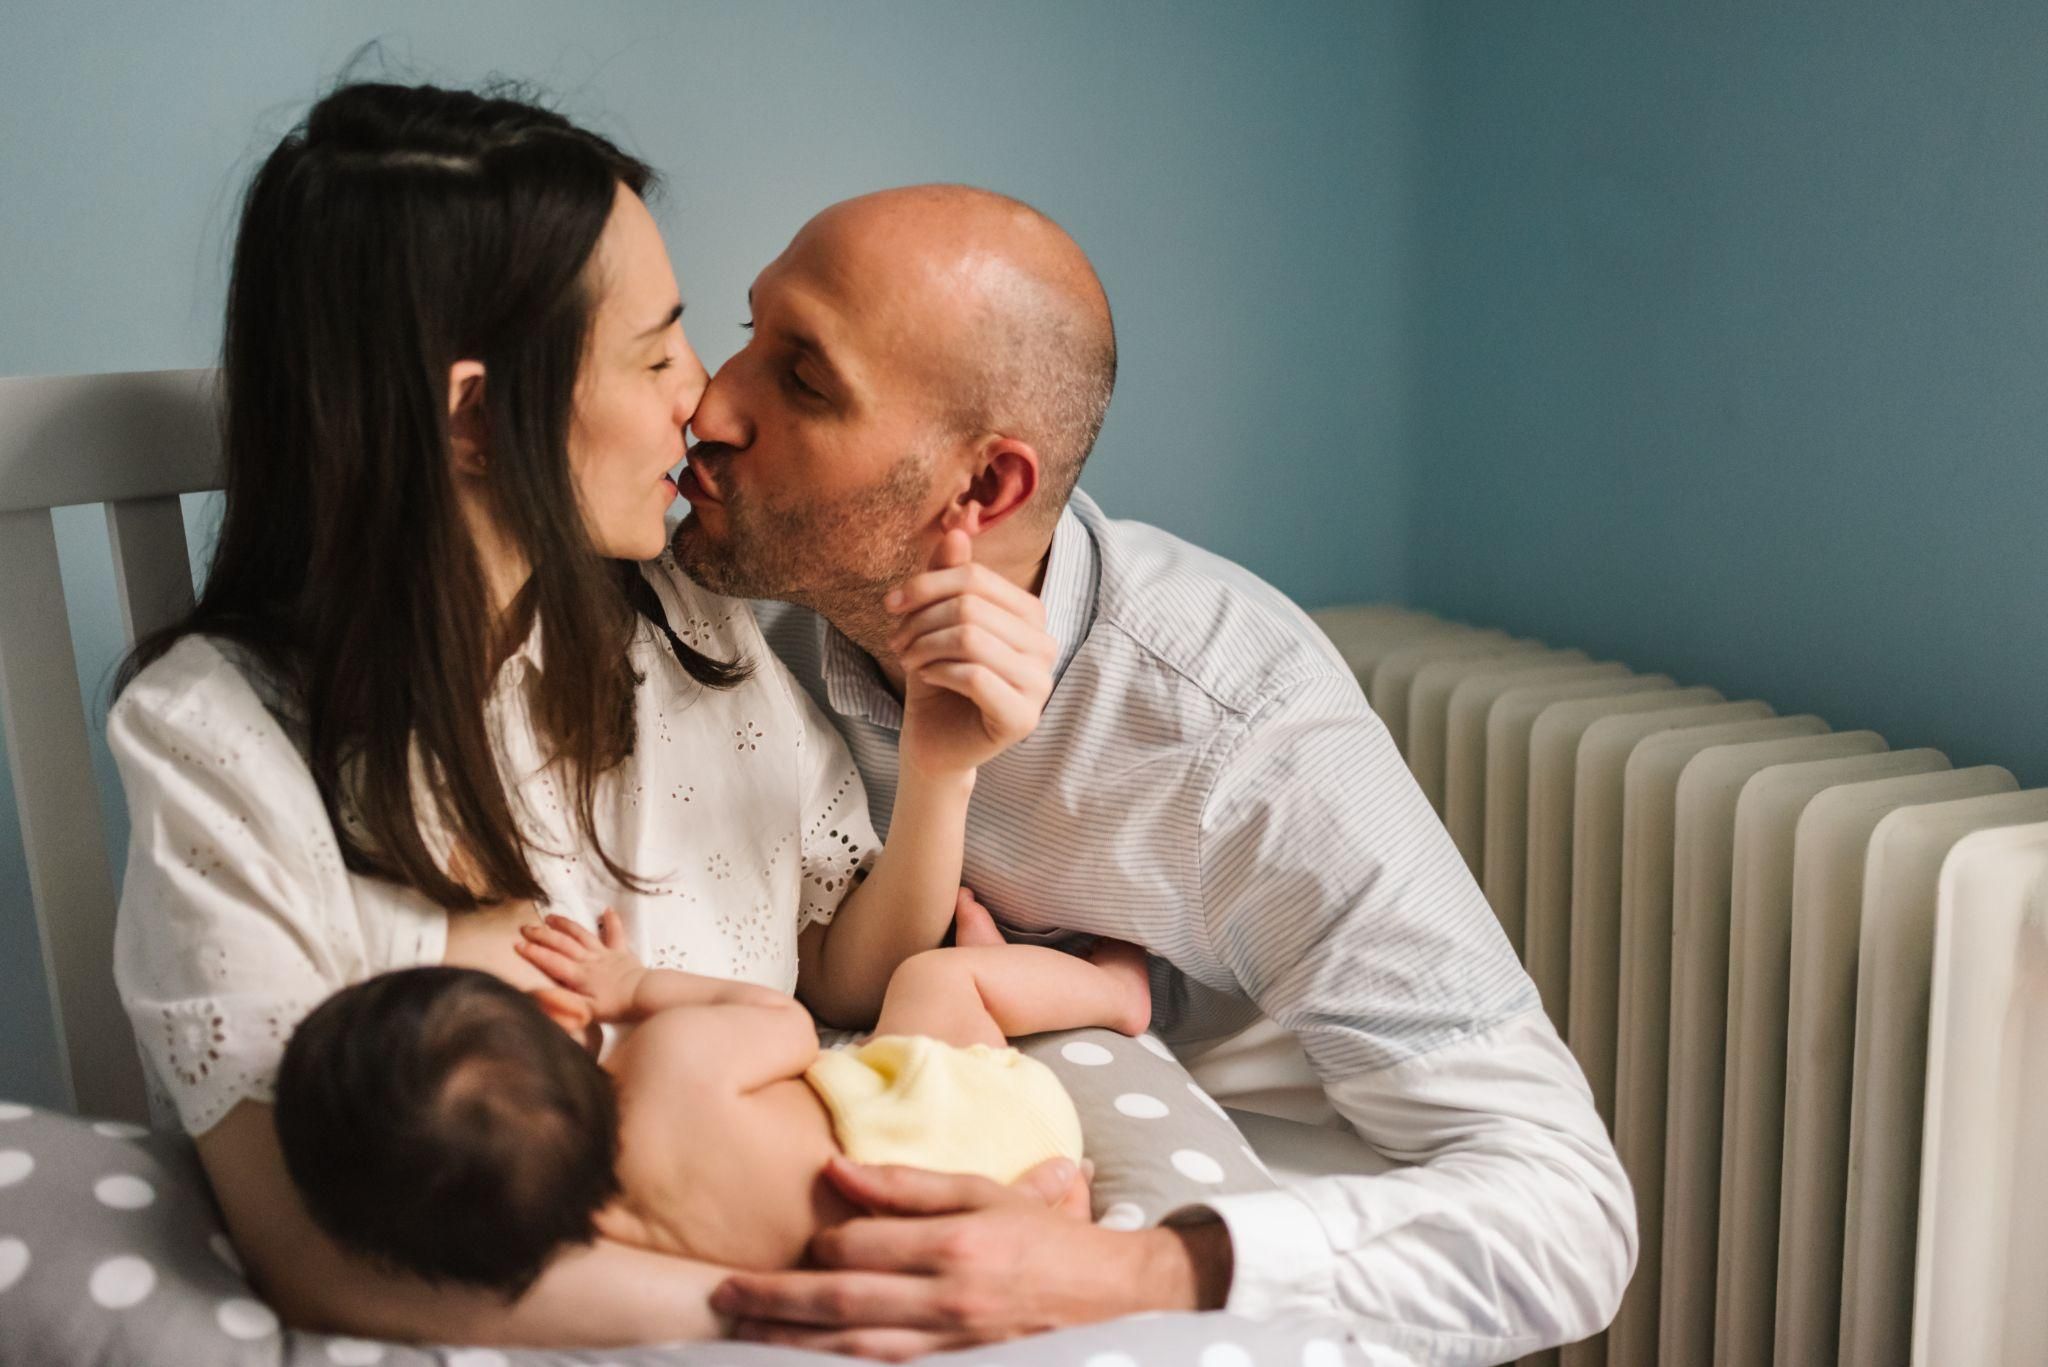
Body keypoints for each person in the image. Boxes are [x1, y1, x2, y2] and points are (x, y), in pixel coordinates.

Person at [107, 85, 1060, 1348]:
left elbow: (847, 974)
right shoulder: (219, 739)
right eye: (656, 348)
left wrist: (941, 770)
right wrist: (829, 1303)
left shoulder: (683, 631)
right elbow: (311, 1255)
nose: (702, 401)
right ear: (472, 418)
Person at [674, 184, 1639, 1365]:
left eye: (803, 380)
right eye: (743, 331)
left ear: (983, 491)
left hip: (1228, 1241)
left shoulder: (1239, 726)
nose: (710, 405)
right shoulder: (728, 628)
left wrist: (1122, 1271)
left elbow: (1568, 1215)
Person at [271, 896, 1142, 1301]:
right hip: (970, 1126)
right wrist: (636, 986)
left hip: (930, 1245)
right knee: (933, 981)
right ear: (548, 1017)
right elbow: (786, 1023)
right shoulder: (662, 1069)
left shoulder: (592, 1237)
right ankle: (1111, 993)